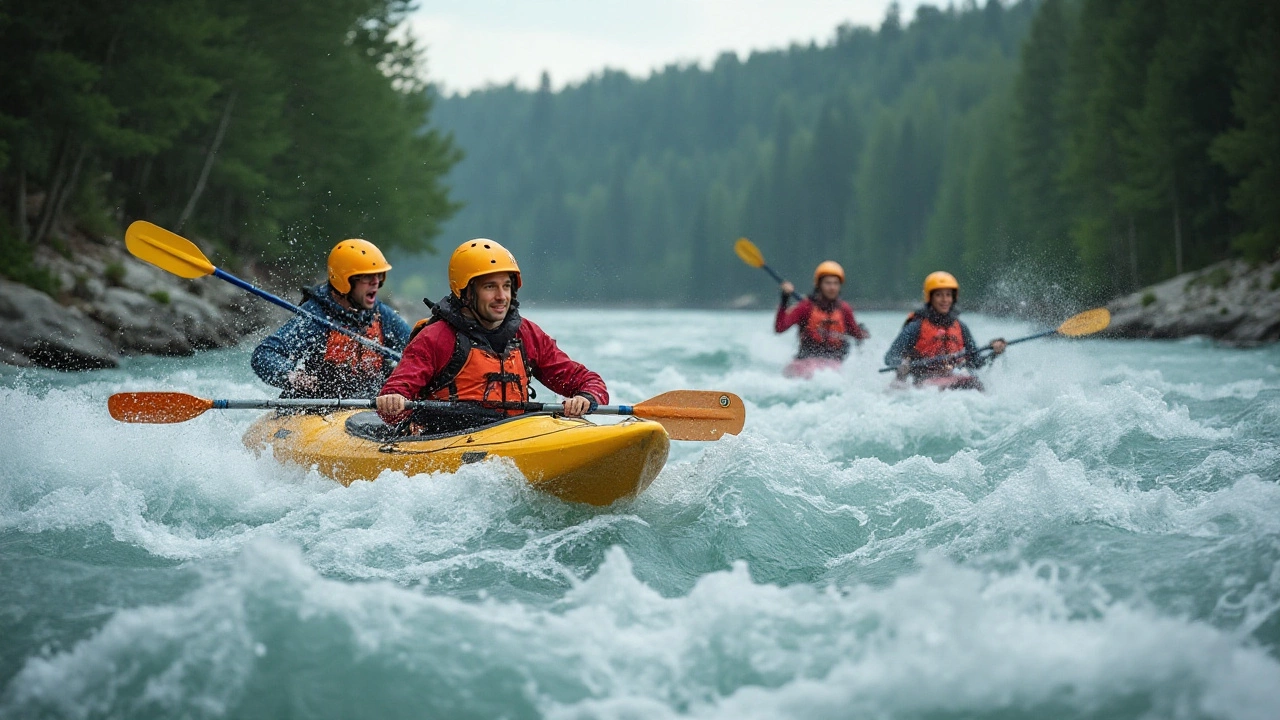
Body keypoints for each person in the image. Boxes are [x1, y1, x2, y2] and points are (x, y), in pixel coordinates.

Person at [375, 238, 607, 435]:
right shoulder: (436, 338)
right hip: (450, 440)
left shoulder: (526, 334)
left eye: (506, 286)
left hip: (513, 435)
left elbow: (586, 380)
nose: (501, 296)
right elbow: (394, 398)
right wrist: (394, 403)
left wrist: (586, 396)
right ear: (465, 291)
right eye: (490, 287)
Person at [251, 239, 411, 398]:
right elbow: (264, 353)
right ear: (344, 281)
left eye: (378, 275)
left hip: (369, 408)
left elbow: (419, 349)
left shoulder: (383, 316)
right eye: (367, 277)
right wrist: (290, 376)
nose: (376, 282)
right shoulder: (315, 316)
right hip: (319, 409)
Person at [884, 271, 1006, 382]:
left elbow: (976, 362)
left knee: (973, 382)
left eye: (948, 295)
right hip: (924, 381)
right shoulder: (915, 327)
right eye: (939, 295)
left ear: (953, 298)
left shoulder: (961, 327)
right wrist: (902, 364)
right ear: (930, 298)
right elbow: (889, 357)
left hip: (953, 377)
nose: (945, 300)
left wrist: (994, 351)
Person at [776, 260, 870, 360]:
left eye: (836, 283)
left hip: (834, 362)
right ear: (819, 285)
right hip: (806, 360)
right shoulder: (805, 307)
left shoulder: (844, 309)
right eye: (828, 283)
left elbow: (856, 333)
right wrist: (784, 299)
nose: (832, 287)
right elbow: (780, 327)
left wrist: (862, 332)